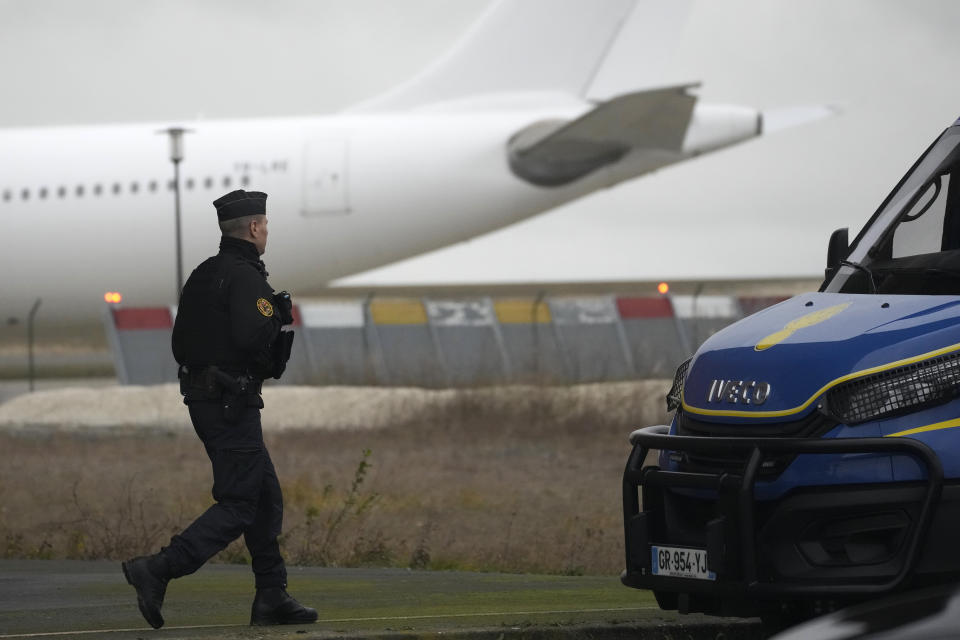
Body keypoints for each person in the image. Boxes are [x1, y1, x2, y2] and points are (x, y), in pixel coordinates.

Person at [122, 189, 316, 628]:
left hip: (205, 401)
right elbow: (253, 340)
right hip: (232, 404)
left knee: (265, 496)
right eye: (264, 225)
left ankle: (271, 595)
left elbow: (179, 343)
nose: (266, 231)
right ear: (253, 228)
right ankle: (157, 569)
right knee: (240, 503)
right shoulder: (247, 277)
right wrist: (276, 318)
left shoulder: (204, 274)